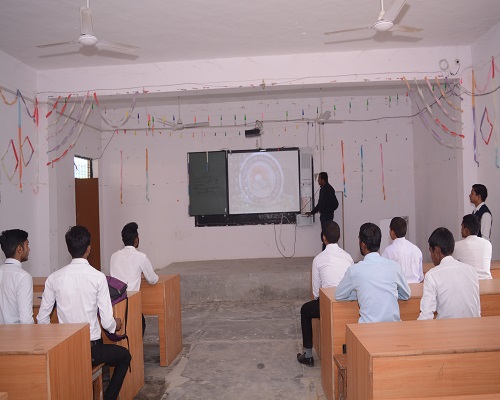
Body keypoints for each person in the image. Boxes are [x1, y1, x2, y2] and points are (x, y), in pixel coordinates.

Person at [37, 226, 131, 400]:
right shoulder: (97, 277)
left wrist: (59, 341)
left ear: (68, 248)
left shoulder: (53, 278)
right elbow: (107, 323)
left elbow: (42, 319)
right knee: (125, 356)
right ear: (89, 248)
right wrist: (115, 324)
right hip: (91, 351)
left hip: (64, 350)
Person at [297, 221, 353, 367]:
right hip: (347, 304)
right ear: (339, 236)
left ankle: (308, 355)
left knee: (305, 310)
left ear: (323, 238)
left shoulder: (318, 259)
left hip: (328, 305)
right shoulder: (348, 257)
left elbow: (316, 293)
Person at [335, 223, 411, 323]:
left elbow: (339, 295)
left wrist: (359, 293)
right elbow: (406, 294)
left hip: (367, 330)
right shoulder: (394, 267)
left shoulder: (354, 270)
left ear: (362, 244)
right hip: (394, 329)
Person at [418, 227, 480, 320]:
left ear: (437, 250)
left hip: (446, 331)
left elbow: (426, 316)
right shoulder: (471, 271)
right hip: (472, 329)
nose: (431, 256)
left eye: (431, 251)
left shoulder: (432, 275)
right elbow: (476, 310)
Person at [110, 222, 159, 336]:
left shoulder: (114, 256)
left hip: (115, 303)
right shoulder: (141, 257)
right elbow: (152, 279)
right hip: (131, 302)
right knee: (140, 325)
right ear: (136, 239)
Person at [0, 229, 33, 324]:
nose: (29, 249)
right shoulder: (23, 277)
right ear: (19, 249)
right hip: (16, 336)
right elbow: (26, 320)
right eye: (27, 245)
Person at [381, 217, 423, 283]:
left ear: (392, 232)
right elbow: (421, 277)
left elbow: (382, 275)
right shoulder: (416, 250)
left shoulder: (388, 251)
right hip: (417, 289)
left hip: (397, 291)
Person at [306, 172, 339, 250]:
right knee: (324, 235)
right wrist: (312, 212)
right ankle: (324, 251)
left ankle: (326, 251)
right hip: (323, 216)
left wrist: (328, 211)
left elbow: (336, 204)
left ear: (323, 180)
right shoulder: (322, 189)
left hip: (327, 216)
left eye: (319, 179)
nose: (318, 180)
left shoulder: (329, 189)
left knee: (326, 235)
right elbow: (319, 204)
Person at [453, 214, 492, 279]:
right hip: (488, 283)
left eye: (462, 227)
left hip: (470, 285)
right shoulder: (488, 244)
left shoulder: (457, 245)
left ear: (466, 230)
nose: (461, 230)